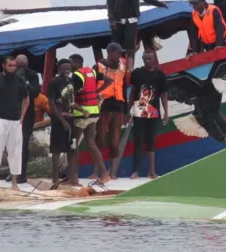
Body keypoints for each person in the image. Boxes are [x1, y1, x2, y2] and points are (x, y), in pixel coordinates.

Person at [105, 0, 168, 71]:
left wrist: (158, 3)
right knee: (116, 46)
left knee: (130, 47)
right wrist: (111, 19)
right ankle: (116, 68)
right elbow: (109, 1)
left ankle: (129, 69)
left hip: (132, 19)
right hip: (118, 20)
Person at [0, 55, 29, 190]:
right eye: (10, 65)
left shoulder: (19, 80)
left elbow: (26, 98)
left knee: (15, 151)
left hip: (15, 121)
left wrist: (22, 116)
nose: (12, 68)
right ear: (3, 65)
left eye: (14, 65)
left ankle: (14, 183)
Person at [69, 53, 110, 184]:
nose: (68, 67)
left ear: (75, 63)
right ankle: (105, 174)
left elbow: (72, 97)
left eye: (70, 64)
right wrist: (96, 92)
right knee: (91, 144)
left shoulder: (77, 76)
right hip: (94, 112)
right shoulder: (91, 71)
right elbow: (110, 80)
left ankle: (73, 178)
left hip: (82, 114)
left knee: (73, 145)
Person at [128, 49, 169, 179]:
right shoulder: (137, 73)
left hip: (154, 111)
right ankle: (136, 171)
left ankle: (151, 171)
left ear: (154, 59)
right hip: (139, 111)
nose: (146, 61)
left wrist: (166, 112)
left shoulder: (160, 75)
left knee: (151, 141)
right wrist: (128, 111)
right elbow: (133, 92)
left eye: (149, 59)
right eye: (144, 59)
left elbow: (163, 94)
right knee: (138, 141)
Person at [95, 43, 127, 181]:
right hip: (103, 106)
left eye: (121, 53)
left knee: (115, 140)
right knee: (100, 139)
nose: (120, 55)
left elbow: (123, 85)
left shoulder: (122, 66)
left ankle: (112, 172)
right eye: (117, 53)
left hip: (118, 105)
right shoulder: (98, 67)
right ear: (109, 53)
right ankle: (96, 172)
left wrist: (126, 109)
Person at [47, 58, 79, 186]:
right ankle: (55, 180)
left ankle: (73, 179)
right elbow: (51, 102)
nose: (66, 70)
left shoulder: (71, 81)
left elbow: (72, 101)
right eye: (64, 68)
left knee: (72, 149)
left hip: (72, 118)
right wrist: (62, 120)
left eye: (68, 68)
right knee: (56, 150)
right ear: (59, 69)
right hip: (59, 120)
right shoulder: (54, 82)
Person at [14, 54, 41, 183]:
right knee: (12, 143)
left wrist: (25, 82)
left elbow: (35, 93)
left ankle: (22, 173)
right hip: (12, 111)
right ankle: (13, 171)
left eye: (22, 66)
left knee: (24, 142)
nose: (20, 69)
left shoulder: (33, 75)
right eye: (18, 66)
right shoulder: (11, 74)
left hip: (28, 112)